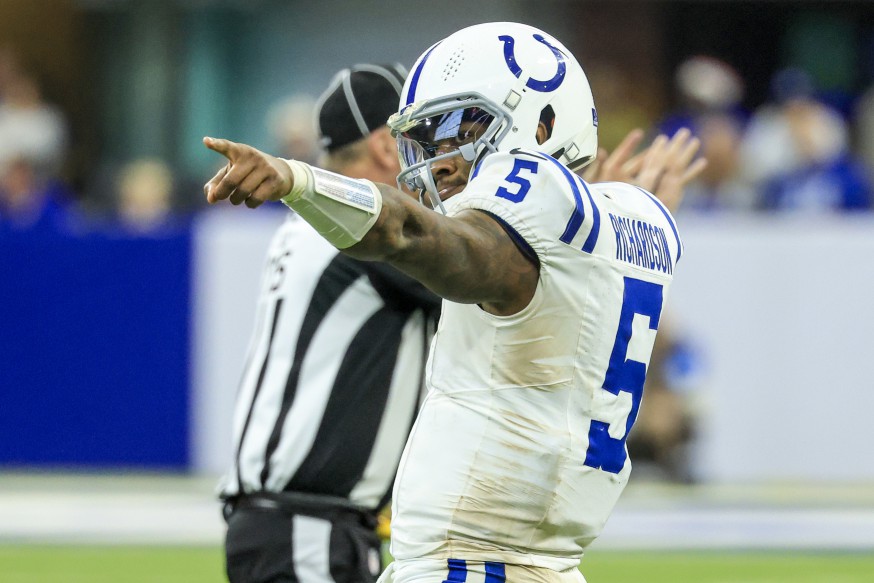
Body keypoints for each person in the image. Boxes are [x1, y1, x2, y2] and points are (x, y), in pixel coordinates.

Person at [206, 23, 703, 583]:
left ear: (540, 123)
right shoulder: (621, 225)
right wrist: (589, 203)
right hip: (544, 563)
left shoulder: (530, 212)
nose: (438, 161)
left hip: (467, 565)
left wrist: (302, 181)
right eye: (431, 140)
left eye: (461, 131)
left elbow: (419, 239)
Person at [218, 63, 443, 583]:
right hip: (307, 527)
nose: (439, 158)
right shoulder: (366, 235)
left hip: (303, 526)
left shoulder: (314, 225)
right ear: (388, 147)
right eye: (424, 139)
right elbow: (488, 285)